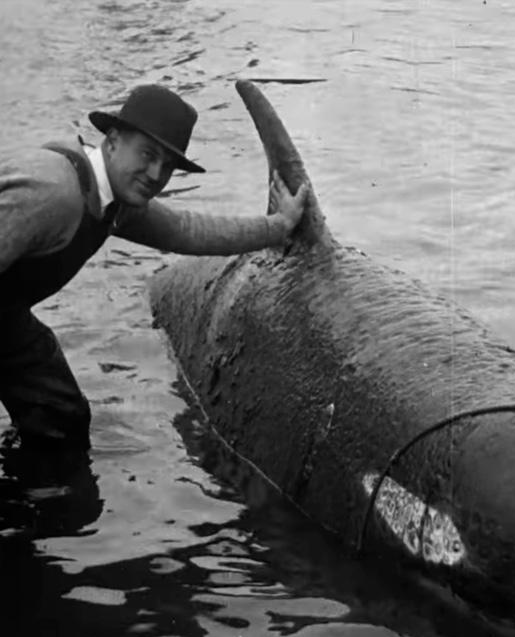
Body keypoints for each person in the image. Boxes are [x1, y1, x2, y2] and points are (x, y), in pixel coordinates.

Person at [0, 83, 308, 455]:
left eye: (167, 166)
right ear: (112, 141)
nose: (154, 173)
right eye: (147, 154)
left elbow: (188, 230)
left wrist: (278, 225)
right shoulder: (54, 194)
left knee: (60, 417)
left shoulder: (114, 198)